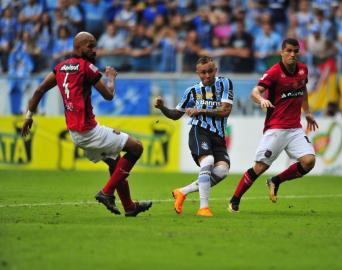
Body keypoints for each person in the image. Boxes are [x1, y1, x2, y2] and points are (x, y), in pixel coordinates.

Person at [21, 31, 152, 217]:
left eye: (95, 46)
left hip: (76, 134)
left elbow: (39, 90)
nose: (94, 50)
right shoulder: (87, 67)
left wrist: (28, 116)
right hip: (89, 131)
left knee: (116, 165)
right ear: (78, 47)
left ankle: (129, 207)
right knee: (136, 148)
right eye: (90, 46)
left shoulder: (60, 68)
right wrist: (111, 77)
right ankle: (106, 192)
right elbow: (108, 95)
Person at [228, 38, 318, 212]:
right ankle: (234, 199)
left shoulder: (303, 70)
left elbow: (303, 90)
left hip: (295, 128)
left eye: (295, 51)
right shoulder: (274, 72)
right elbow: (254, 92)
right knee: (260, 167)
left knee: (309, 161)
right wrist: (262, 100)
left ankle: (275, 181)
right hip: (276, 128)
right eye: (289, 51)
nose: (292, 54)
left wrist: (307, 113)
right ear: (282, 52)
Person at [154, 56, 233, 217]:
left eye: (210, 71)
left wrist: (200, 110)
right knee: (209, 161)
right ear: (198, 73)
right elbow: (176, 114)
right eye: (203, 72)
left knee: (223, 171)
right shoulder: (191, 92)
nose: (207, 75)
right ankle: (203, 208)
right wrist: (162, 107)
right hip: (199, 130)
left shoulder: (225, 83)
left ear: (215, 70)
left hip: (218, 135)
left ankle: (182, 191)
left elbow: (225, 110)